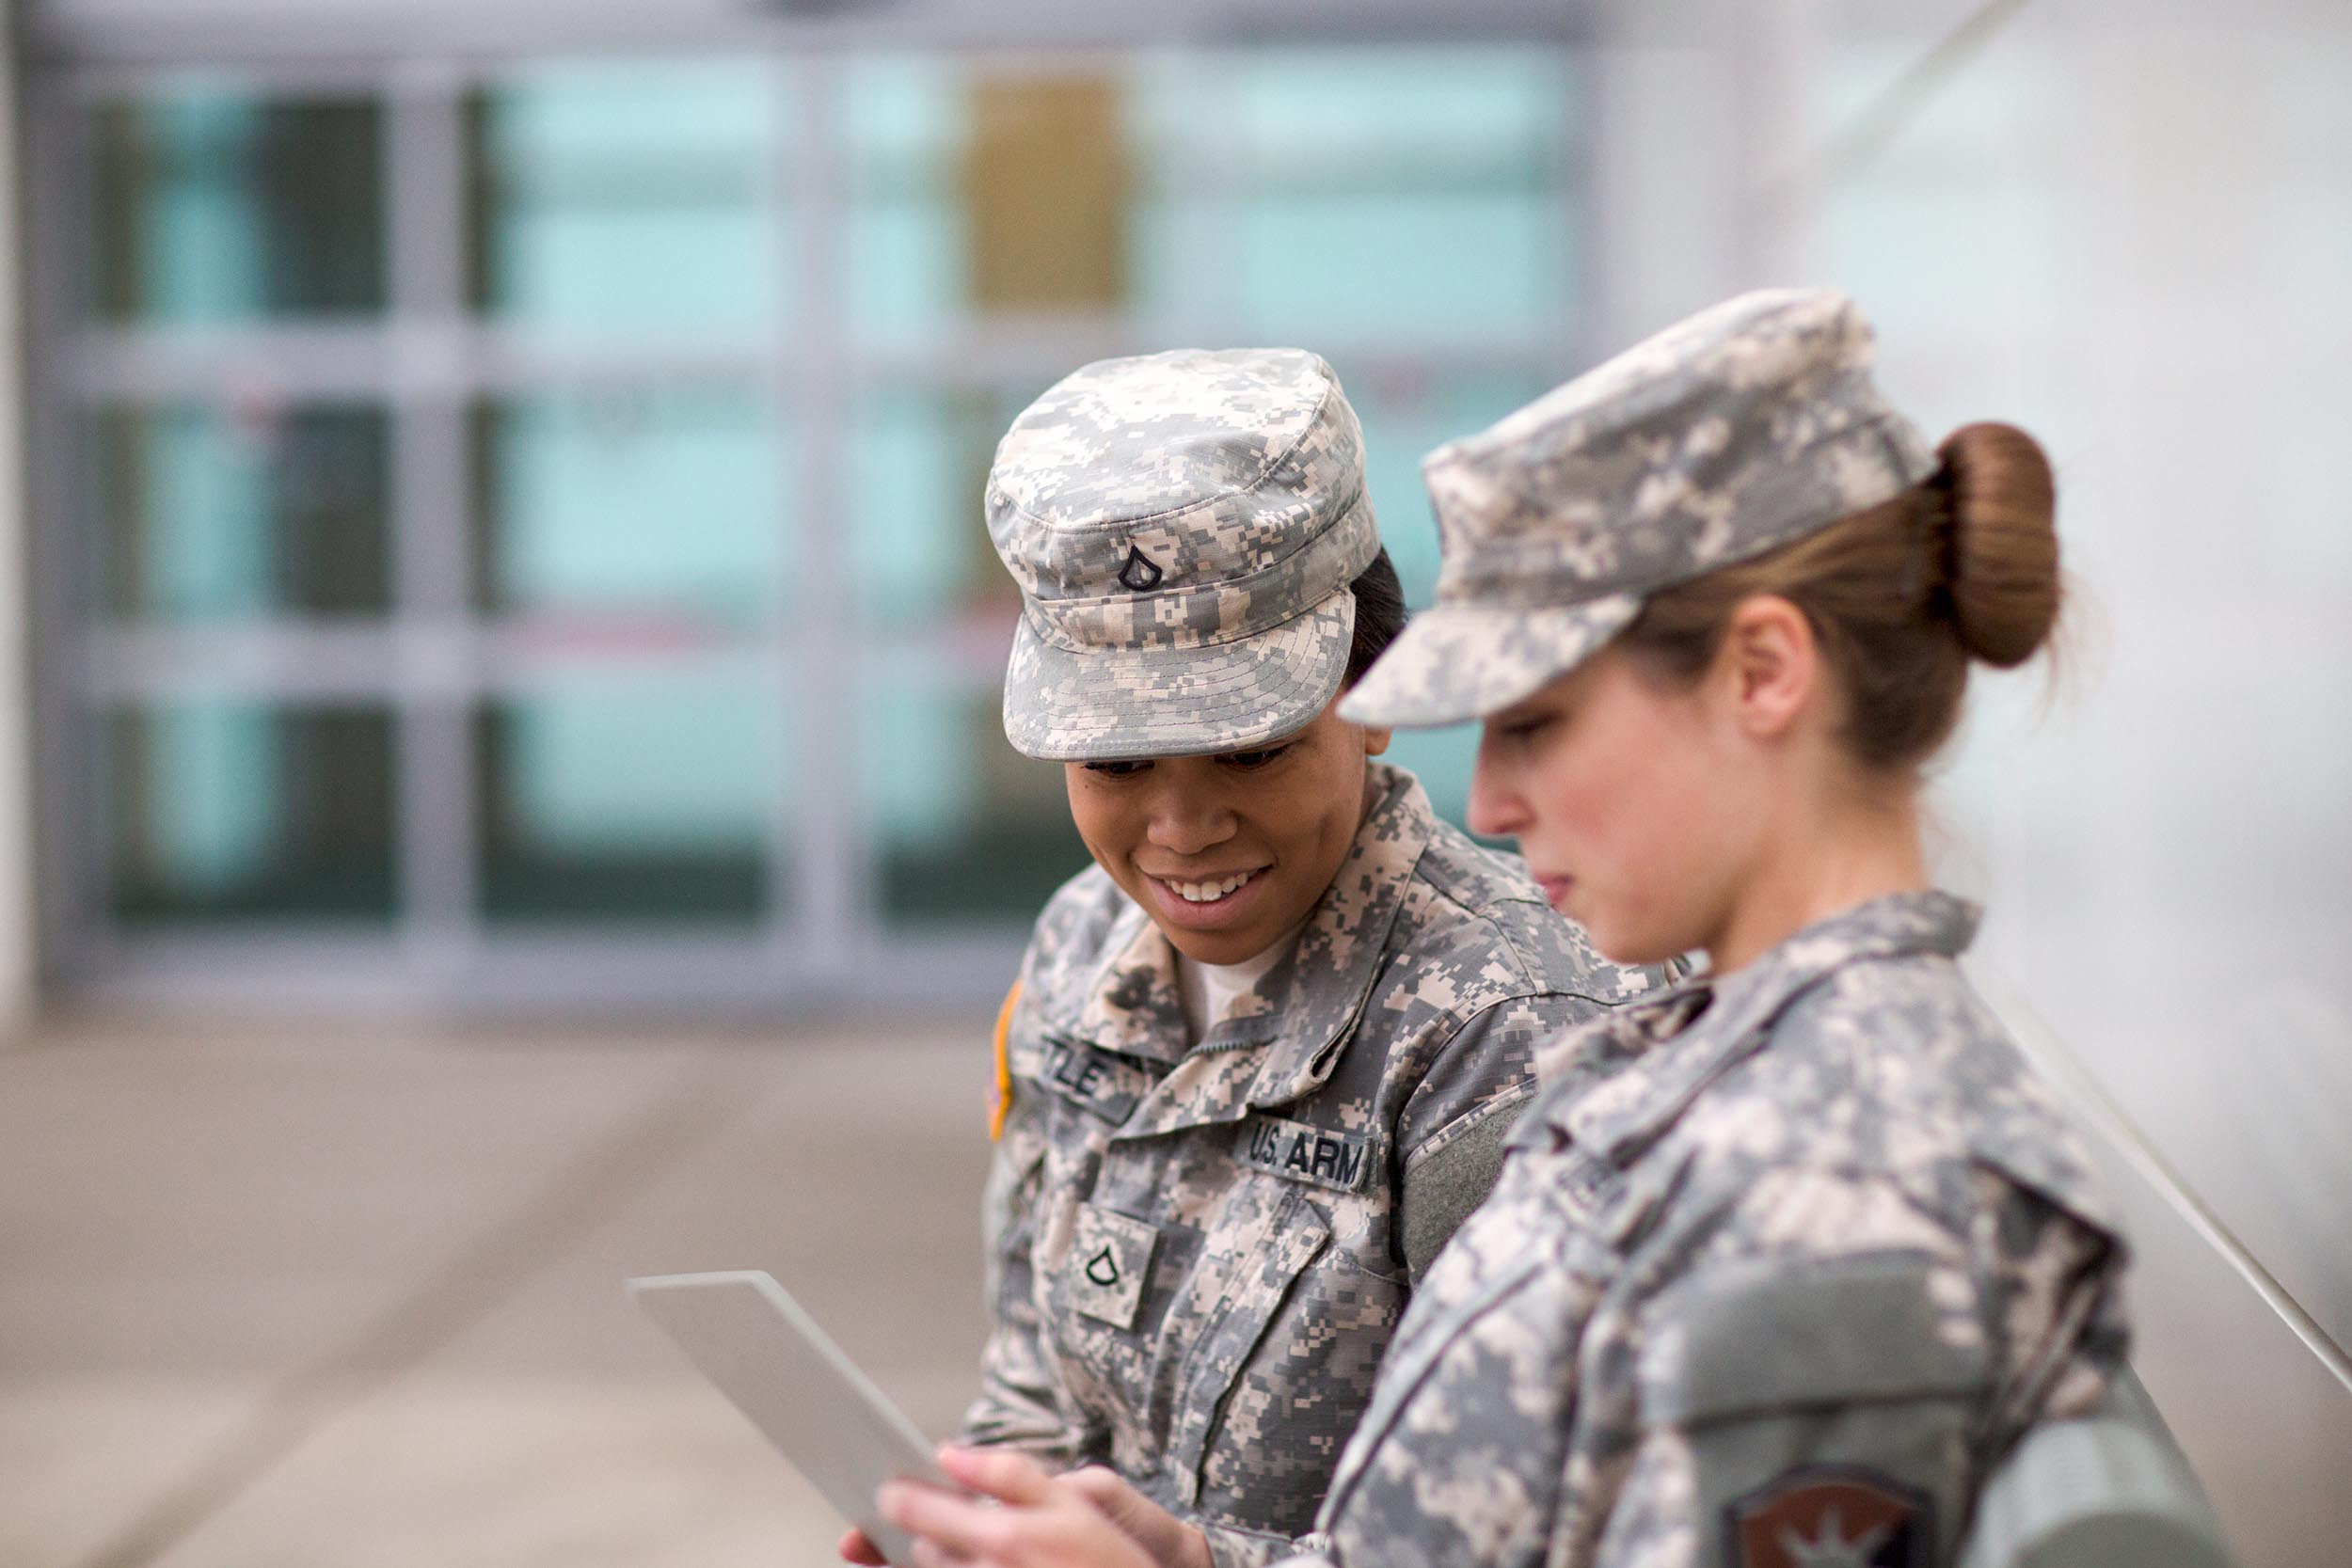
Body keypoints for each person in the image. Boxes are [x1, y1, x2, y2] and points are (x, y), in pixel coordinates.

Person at [873, 290, 2130, 1568]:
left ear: (1761, 675)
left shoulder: (1841, 1179)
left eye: (1537, 721)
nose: (1488, 800)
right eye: (1120, 757)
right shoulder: (1709, 1082)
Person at [841, 347, 1670, 1565]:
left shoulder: (1521, 1032)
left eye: (1249, 751)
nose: (1181, 830)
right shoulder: (1082, 948)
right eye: (1117, 763)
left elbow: (1557, 1538)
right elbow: (1036, 1386)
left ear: (1375, 688)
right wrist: (977, 1520)